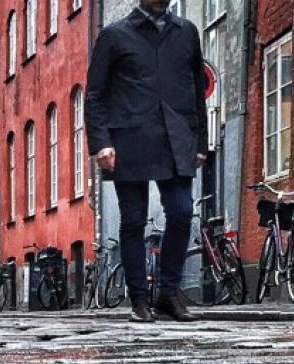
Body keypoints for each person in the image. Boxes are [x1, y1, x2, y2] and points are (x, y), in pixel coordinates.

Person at [85, 0, 209, 323]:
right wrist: (101, 143)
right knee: (134, 221)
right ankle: (139, 300)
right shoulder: (114, 36)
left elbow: (197, 90)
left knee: (182, 212)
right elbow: (95, 95)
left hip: (175, 138)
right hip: (130, 141)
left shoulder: (186, 33)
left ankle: (169, 292)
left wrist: (200, 142)